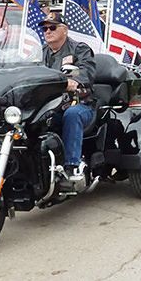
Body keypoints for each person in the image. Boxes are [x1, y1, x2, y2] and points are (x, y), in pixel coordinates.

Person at [40, 12, 96, 182]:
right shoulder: (39, 52)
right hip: (49, 104)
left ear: (64, 30)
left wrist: (73, 81)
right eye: (44, 28)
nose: (47, 31)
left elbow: (87, 73)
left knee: (72, 115)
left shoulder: (79, 49)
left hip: (80, 103)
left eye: (52, 27)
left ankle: (71, 167)